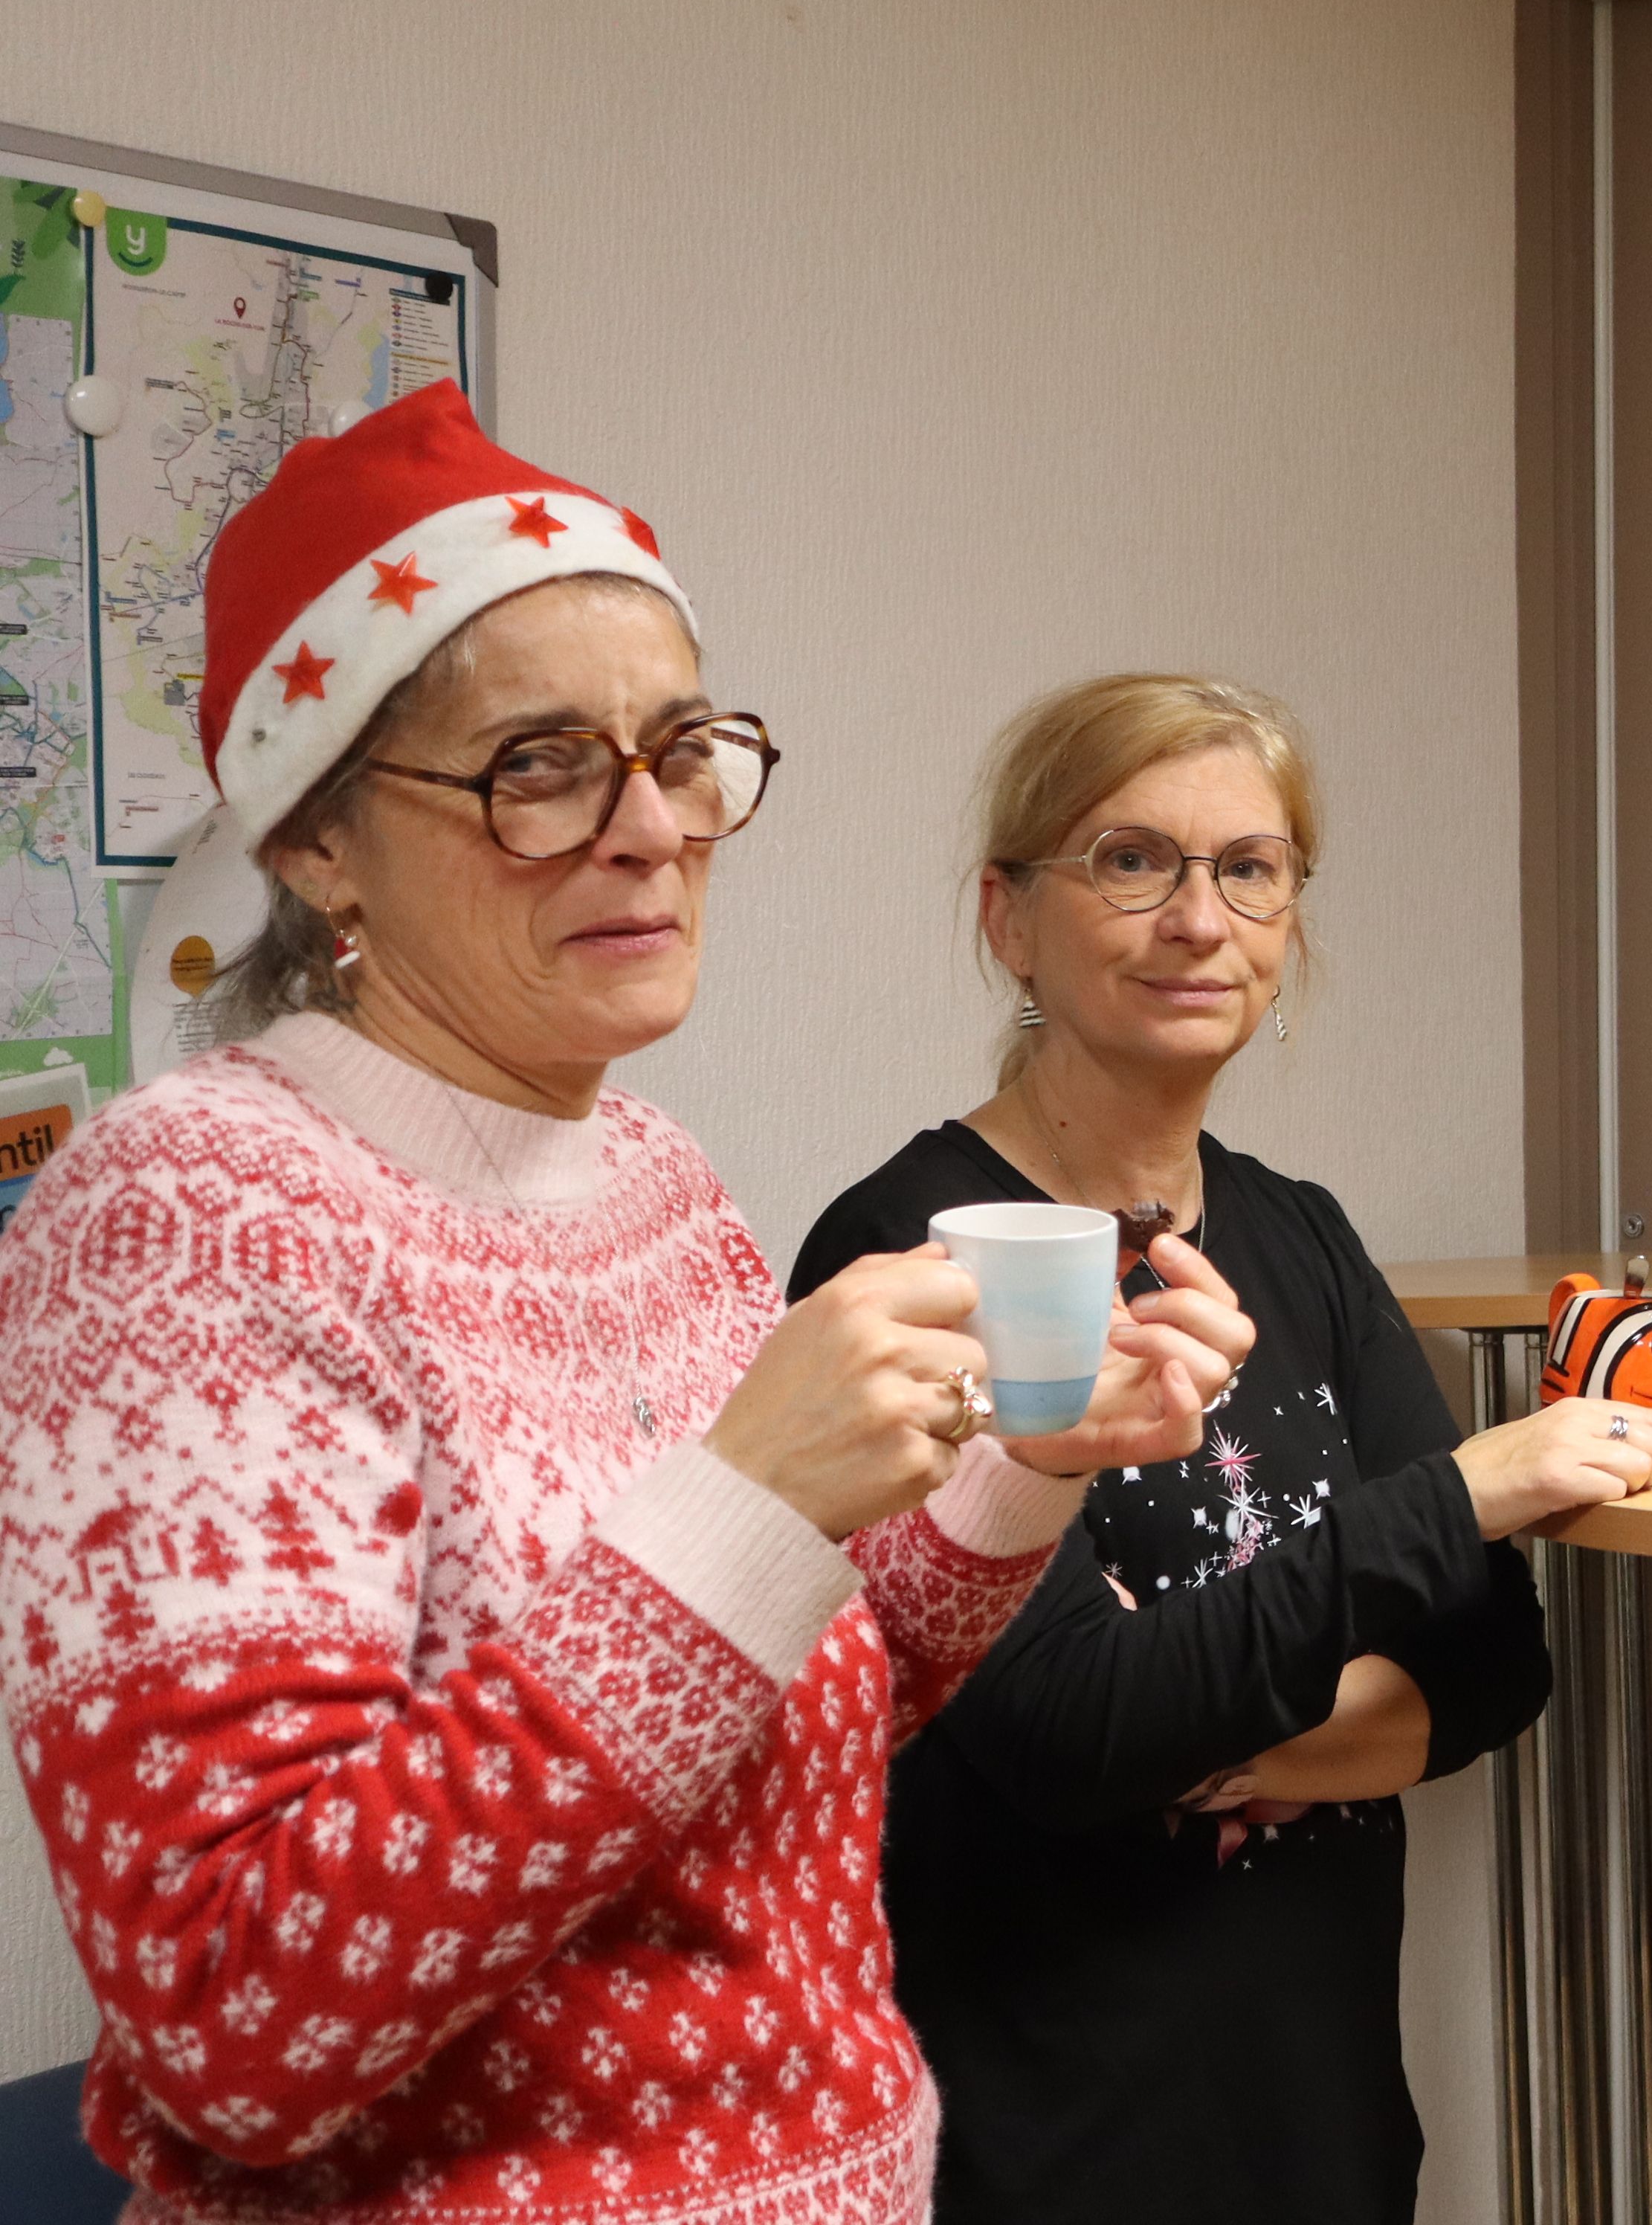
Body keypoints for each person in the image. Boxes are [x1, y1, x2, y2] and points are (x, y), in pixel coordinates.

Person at [0, 387, 1236, 2222]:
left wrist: (1029, 1465)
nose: (652, 828)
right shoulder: (191, 1216)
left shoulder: (652, 1175)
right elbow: (232, 2007)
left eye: (682, 749)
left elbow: (803, 1702)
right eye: (541, 764)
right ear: (318, 841)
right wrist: (743, 1498)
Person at [794, 675, 1652, 2225]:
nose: (1199, 919)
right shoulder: (911, 1255)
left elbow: (1493, 1662)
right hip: (1052, 2139)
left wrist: (1201, 1738)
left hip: (1321, 2116)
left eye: (1250, 869)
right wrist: (1461, 1493)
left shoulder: (1303, 1235)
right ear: (1010, 918)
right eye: (1132, 860)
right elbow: (1064, 1731)